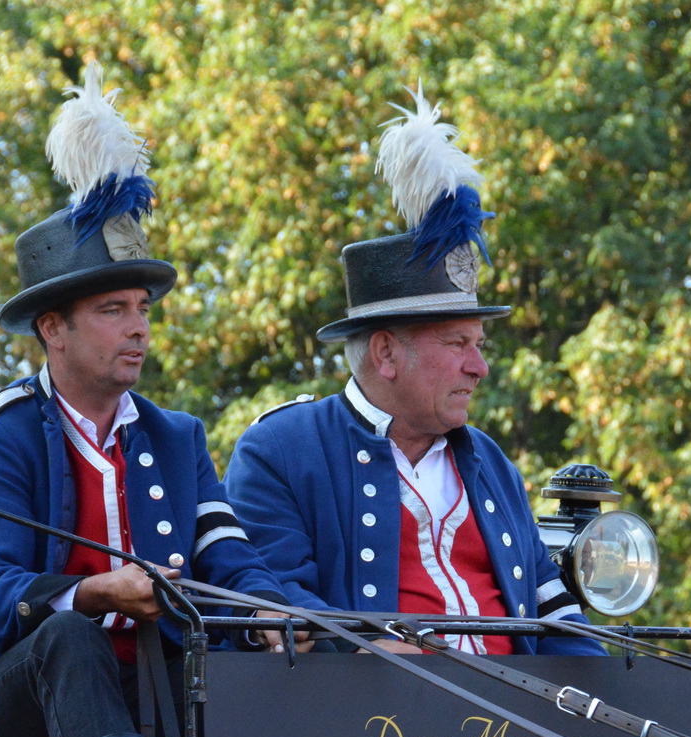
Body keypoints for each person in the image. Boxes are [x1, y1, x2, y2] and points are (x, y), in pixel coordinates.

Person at [0, 64, 300, 737]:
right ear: (52, 330)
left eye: (142, 309)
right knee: (72, 642)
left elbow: (228, 555)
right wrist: (96, 589)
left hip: (148, 696)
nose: (138, 329)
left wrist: (267, 610)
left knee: (258, 655)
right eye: (112, 311)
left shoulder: (178, 439)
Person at [224, 89, 605, 658]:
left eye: (479, 345)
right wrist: (370, 653)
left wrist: (619, 714)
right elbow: (281, 610)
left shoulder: (490, 461)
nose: (478, 367)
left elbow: (556, 619)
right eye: (457, 344)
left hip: (519, 736)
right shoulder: (280, 451)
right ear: (384, 353)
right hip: (383, 736)